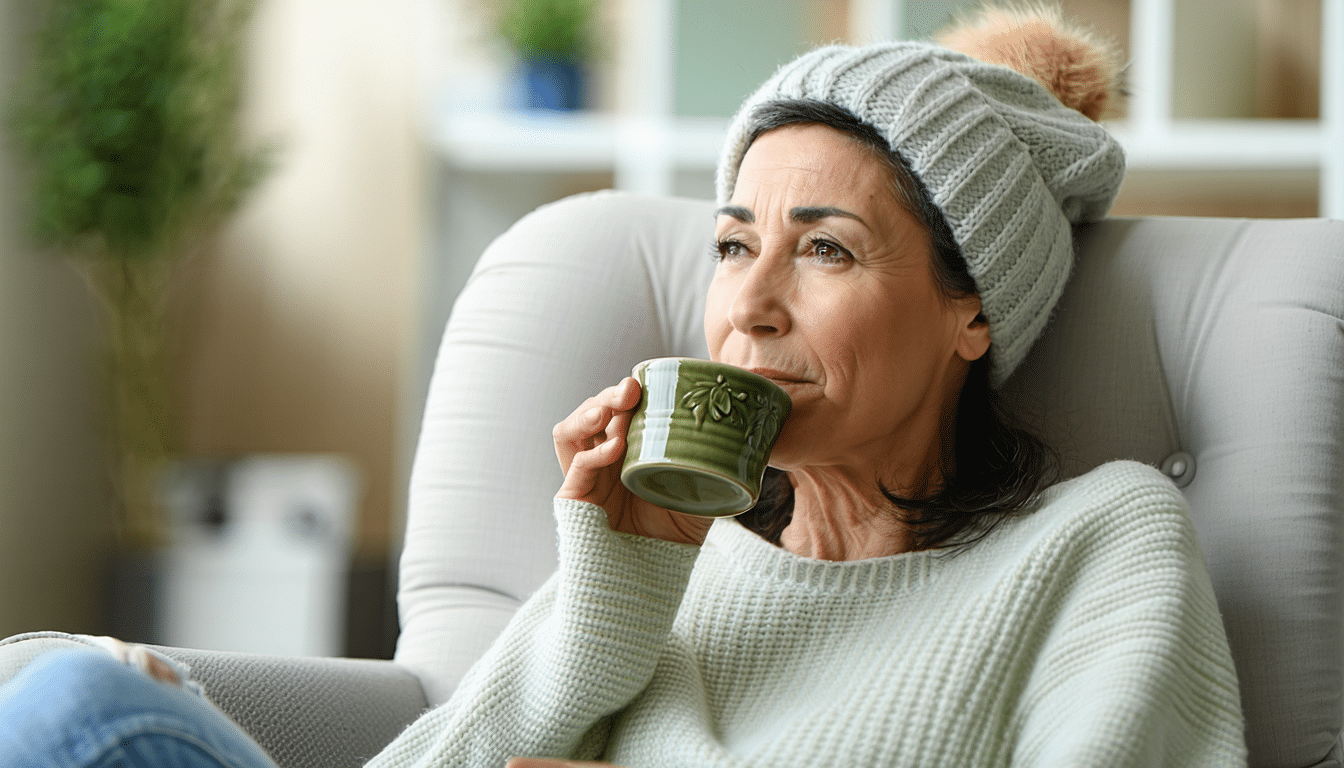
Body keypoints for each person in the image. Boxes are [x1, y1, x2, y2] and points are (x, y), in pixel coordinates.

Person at [0, 6, 1247, 768]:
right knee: (69, 700)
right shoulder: (666, 547)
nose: (749, 305)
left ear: (971, 308)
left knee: (66, 721)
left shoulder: (1098, 541)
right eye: (728, 246)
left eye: (824, 248)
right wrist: (609, 586)